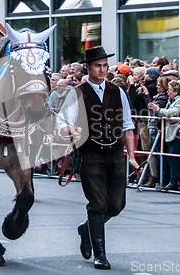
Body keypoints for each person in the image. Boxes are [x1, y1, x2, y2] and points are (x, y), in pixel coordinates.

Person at [57, 46, 138, 270]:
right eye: (98, 66)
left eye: (104, 66)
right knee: (98, 204)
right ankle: (100, 254)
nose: (102, 70)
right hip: (90, 152)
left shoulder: (117, 91)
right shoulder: (77, 92)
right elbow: (61, 123)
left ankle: (86, 228)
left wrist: (131, 156)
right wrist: (70, 132)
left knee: (117, 204)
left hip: (114, 152)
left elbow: (127, 125)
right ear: (88, 67)